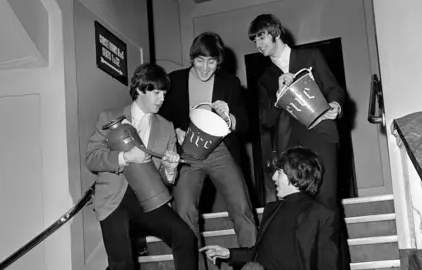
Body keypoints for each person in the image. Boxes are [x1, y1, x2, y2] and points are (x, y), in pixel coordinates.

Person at [85, 63, 198, 270]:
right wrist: (125, 157)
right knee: (122, 264)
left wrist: (171, 169)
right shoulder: (109, 118)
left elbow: (165, 179)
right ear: (139, 89)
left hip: (148, 201)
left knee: (185, 236)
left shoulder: (167, 127)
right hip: (114, 201)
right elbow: (92, 158)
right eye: (156, 92)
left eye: (164, 93)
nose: (162, 98)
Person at [159, 32, 257, 267]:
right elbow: (159, 116)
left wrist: (230, 117)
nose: (205, 67)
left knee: (241, 206)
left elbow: (246, 122)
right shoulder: (174, 81)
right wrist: (174, 131)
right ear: (192, 58)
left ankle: (253, 263)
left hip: (220, 150)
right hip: (187, 154)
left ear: (218, 61)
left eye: (211, 61)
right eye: (200, 60)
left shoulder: (229, 82)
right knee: (183, 211)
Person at [248, 14, 345, 212]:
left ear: (275, 33)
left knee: (326, 201)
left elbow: (334, 89)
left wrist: (336, 105)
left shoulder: (311, 56)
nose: (258, 43)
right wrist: (278, 95)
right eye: (255, 39)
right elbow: (266, 120)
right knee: (297, 209)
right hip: (289, 147)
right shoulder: (265, 79)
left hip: (320, 136)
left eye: (261, 36)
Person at [200, 147, 340, 270]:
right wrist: (228, 253)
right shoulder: (272, 209)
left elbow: (328, 265)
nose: (273, 177)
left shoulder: (321, 214)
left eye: (279, 173)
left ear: (296, 174)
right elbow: (259, 253)